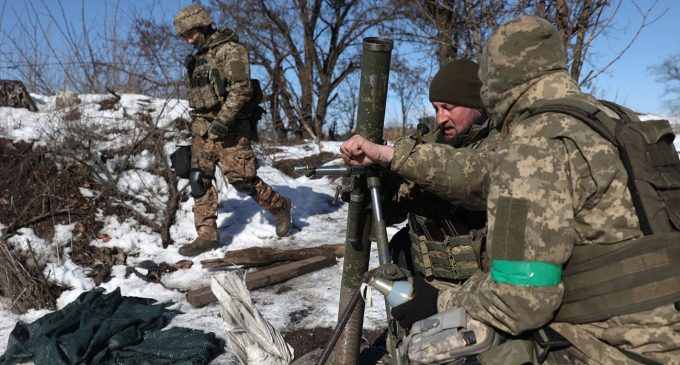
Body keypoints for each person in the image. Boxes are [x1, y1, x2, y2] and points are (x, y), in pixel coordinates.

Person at [342, 16, 680, 364]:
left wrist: (435, 303)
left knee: (469, 350)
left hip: (611, 345)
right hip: (665, 331)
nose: (441, 117)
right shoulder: (617, 121)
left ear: (492, 84)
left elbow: (519, 300)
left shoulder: (532, 145)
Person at [174, 4, 291, 257]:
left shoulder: (231, 50)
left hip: (231, 128)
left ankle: (280, 206)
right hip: (203, 129)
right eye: (184, 35)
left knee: (242, 180)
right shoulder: (197, 58)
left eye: (190, 33)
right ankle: (207, 235)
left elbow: (241, 90)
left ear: (202, 25)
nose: (188, 39)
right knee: (198, 179)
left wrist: (222, 122)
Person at [383, 60, 492, 330]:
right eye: (436, 109)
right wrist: (383, 184)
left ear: (477, 105)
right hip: (425, 287)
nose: (441, 118)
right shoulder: (421, 148)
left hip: (480, 296)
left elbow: (470, 181)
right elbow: (391, 213)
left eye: (449, 108)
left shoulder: (502, 148)